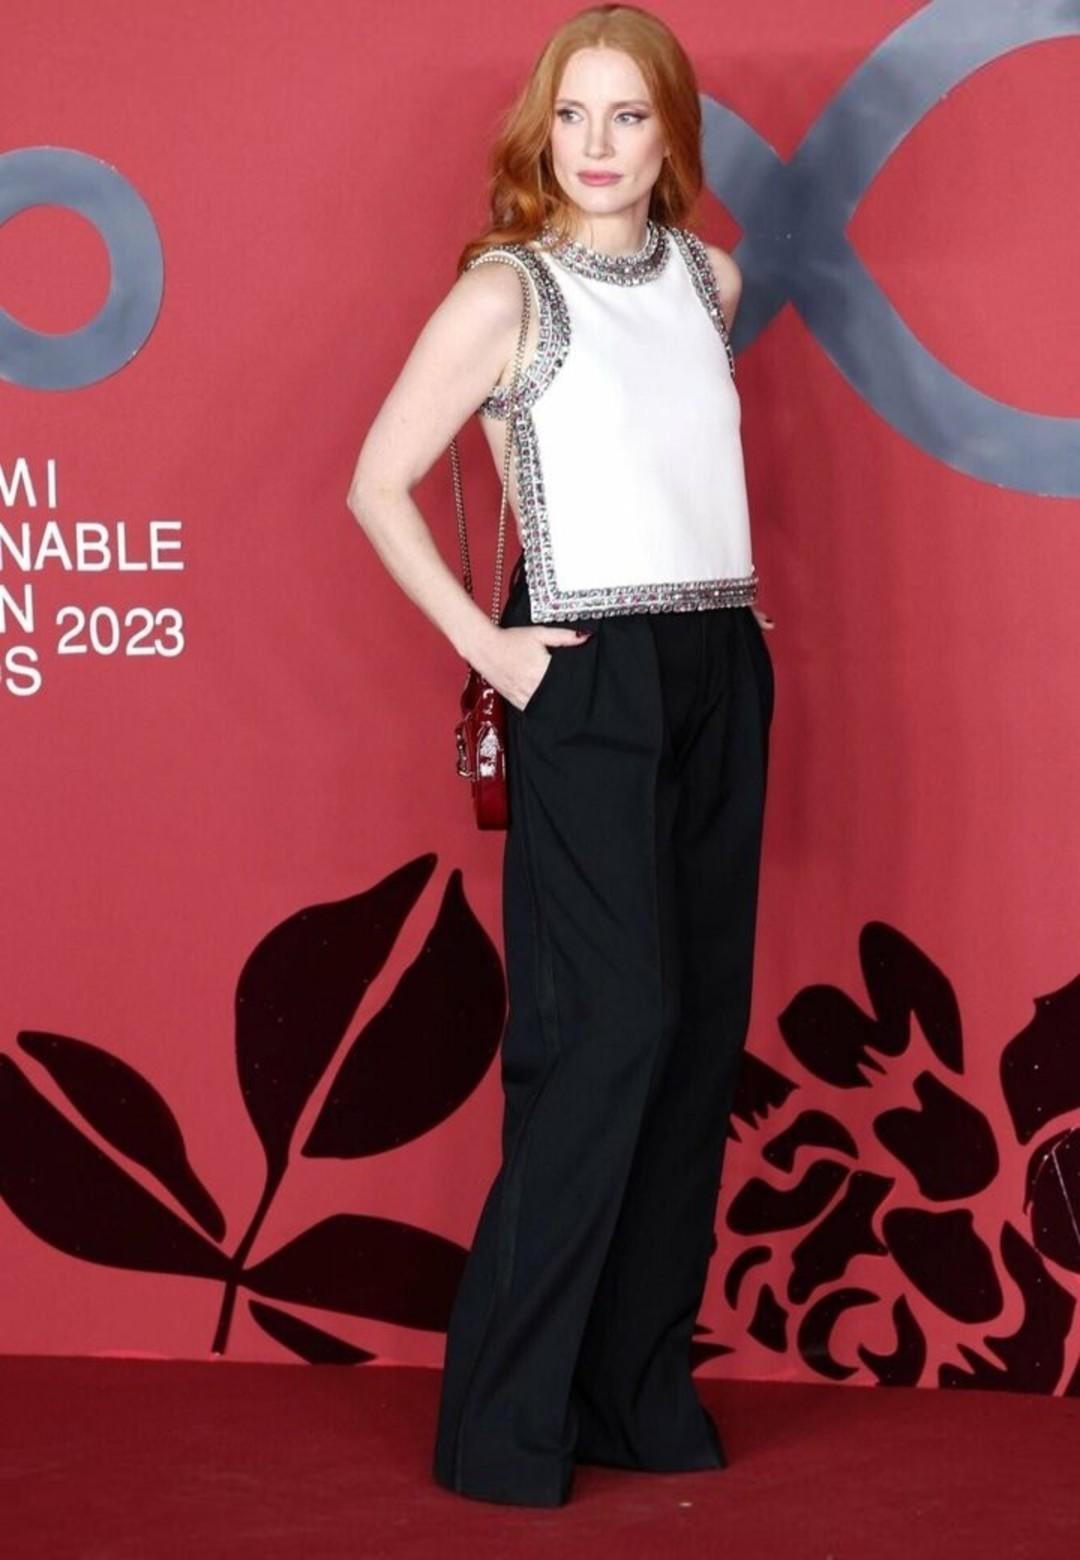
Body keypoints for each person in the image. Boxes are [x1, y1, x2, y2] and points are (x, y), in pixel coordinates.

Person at [346, 1, 775, 1510]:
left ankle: (631, 1397)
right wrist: (497, 649)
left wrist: (735, 645)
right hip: (584, 671)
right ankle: (505, 1423)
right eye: (573, 115)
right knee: (605, 1033)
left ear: (671, 136)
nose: (597, 145)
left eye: (628, 116)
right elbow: (378, 482)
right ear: (544, 131)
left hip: (720, 663)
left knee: (696, 1033)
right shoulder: (505, 291)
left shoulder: (712, 281)